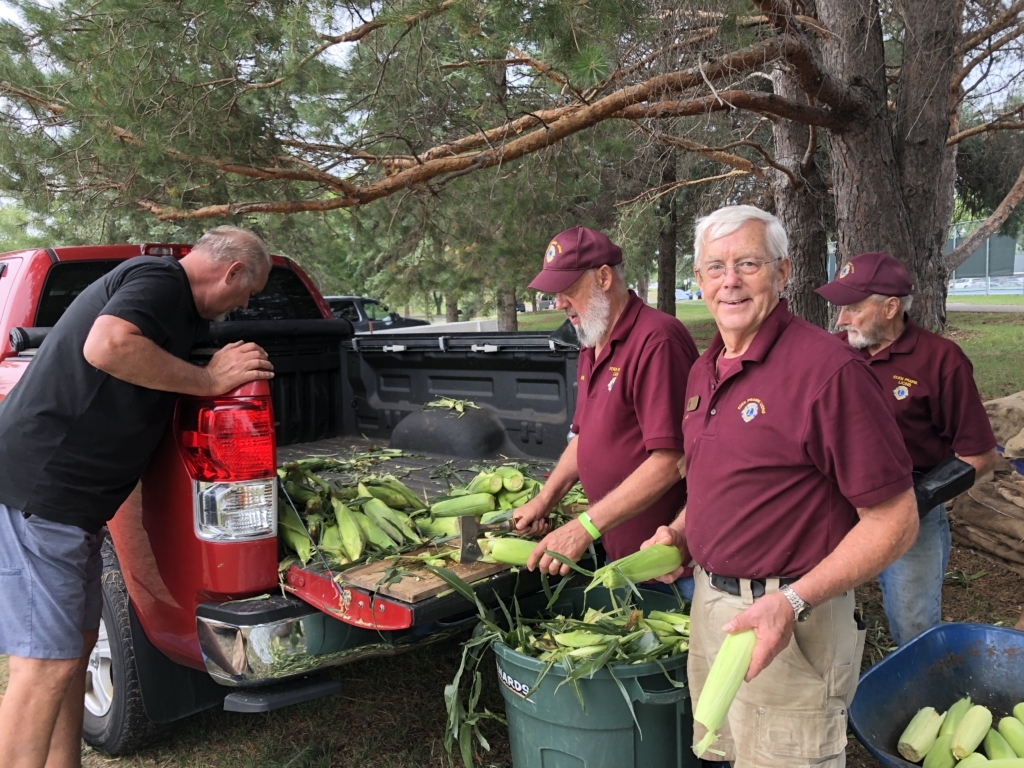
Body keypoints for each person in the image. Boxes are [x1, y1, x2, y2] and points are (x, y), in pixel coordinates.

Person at [643, 206, 919, 767]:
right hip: (712, 606)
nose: (731, 281)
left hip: (792, 616)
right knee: (726, 752)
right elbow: (720, 483)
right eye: (715, 267)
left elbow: (896, 521)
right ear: (697, 280)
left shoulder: (829, 372)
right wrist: (679, 532)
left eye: (749, 262)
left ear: (784, 271)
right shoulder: (705, 369)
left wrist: (788, 602)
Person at [0, 226, 275, 768]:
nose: (244, 305)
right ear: (233, 272)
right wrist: (207, 380)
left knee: (74, 653)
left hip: (77, 510)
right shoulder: (158, 280)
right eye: (248, 292)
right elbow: (107, 346)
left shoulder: (182, 314)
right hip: (40, 493)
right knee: (44, 665)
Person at [815, 251, 998, 646]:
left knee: (914, 621)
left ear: (891, 307)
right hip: (834, 497)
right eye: (840, 308)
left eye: (853, 308)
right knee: (818, 609)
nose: (841, 320)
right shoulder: (831, 353)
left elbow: (979, 454)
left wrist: (912, 503)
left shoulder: (940, 360)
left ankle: (923, 696)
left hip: (911, 498)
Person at [512, 226, 699, 595]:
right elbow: (585, 438)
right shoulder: (592, 343)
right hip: (621, 557)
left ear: (603, 277)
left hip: (666, 563)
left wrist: (584, 526)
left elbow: (671, 460)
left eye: (568, 290)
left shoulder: (657, 341)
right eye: (555, 294)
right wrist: (545, 499)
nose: (559, 304)